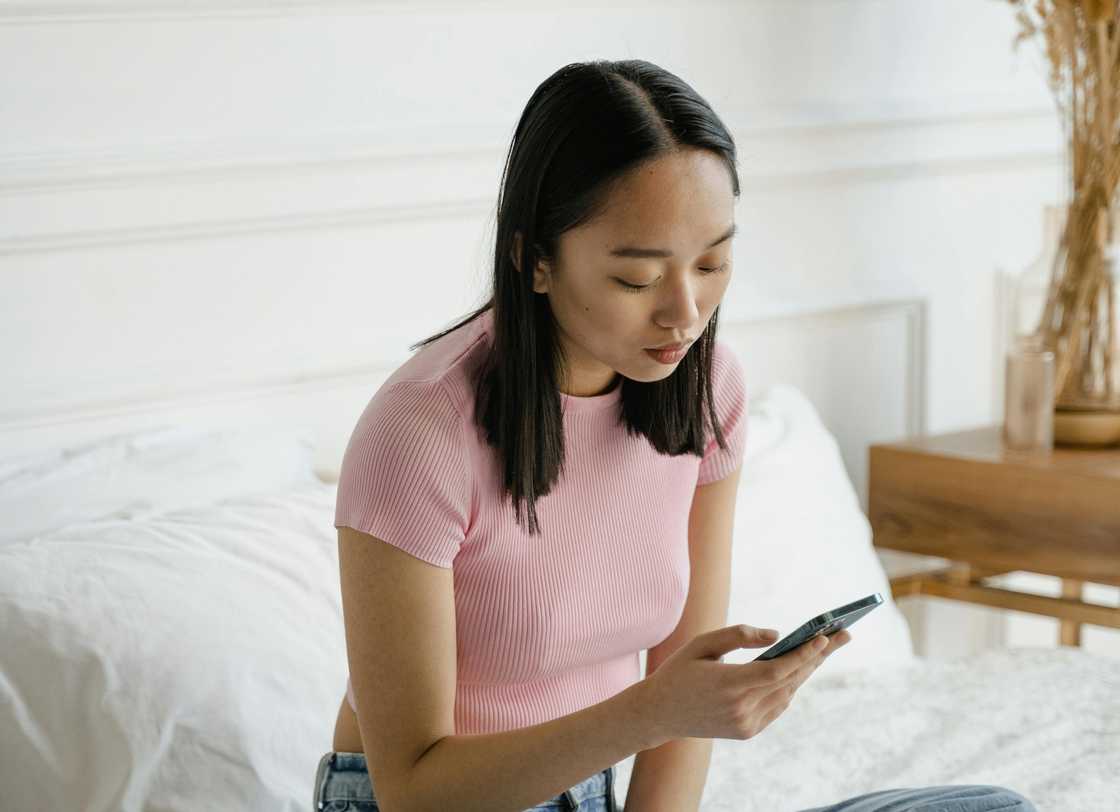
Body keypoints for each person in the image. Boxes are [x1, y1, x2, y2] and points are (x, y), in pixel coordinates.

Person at [316, 59, 1038, 812]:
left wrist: (672, 710)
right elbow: (412, 788)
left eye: (713, 262)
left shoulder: (705, 390)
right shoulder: (419, 431)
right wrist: (657, 708)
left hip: (586, 792)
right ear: (534, 260)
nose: (685, 314)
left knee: (992, 809)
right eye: (638, 279)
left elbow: (679, 708)